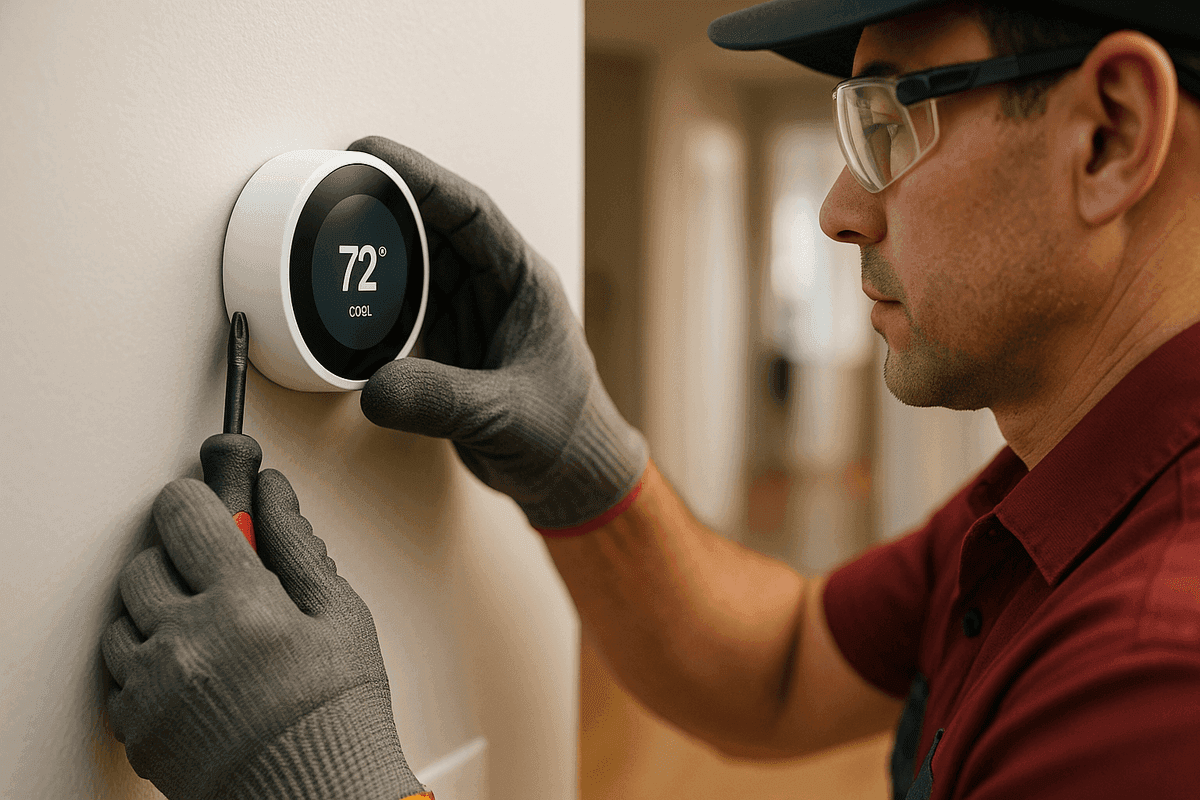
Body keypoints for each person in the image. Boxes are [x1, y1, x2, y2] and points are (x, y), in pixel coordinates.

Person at [102, 0, 1200, 797]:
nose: (836, 211)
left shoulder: (1154, 689)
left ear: (1107, 132)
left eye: (888, 120)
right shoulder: (1048, 501)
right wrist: (583, 455)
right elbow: (775, 666)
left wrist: (313, 768)